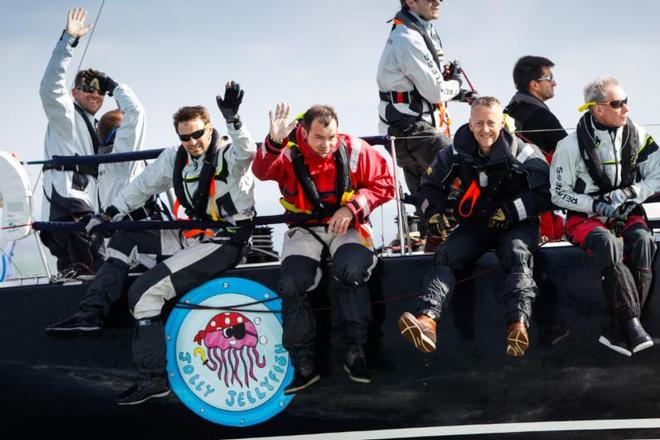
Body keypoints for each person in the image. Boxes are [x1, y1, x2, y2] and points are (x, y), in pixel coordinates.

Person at [48, 83, 257, 406]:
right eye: (185, 137)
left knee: (144, 294)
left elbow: (248, 152)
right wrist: (106, 215)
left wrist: (234, 119)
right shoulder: (175, 158)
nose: (192, 142)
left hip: (227, 241)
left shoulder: (229, 154)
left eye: (197, 134)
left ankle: (153, 378)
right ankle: (91, 312)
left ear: (209, 128)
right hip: (196, 236)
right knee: (124, 235)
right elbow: (142, 187)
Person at [252, 103, 394, 393]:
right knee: (293, 283)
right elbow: (262, 171)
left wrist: (353, 208)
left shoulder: (355, 150)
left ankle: (355, 351)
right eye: (319, 138)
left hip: (347, 226)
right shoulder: (288, 153)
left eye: (331, 137)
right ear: (304, 132)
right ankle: (304, 365)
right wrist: (274, 142)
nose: (327, 145)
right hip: (304, 229)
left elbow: (385, 184)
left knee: (352, 270)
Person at [398, 97, 551, 357]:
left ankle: (518, 326)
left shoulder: (524, 153)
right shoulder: (454, 153)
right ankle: (427, 321)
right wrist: (433, 214)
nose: (485, 129)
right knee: (447, 255)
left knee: (516, 255)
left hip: (517, 226)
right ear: (470, 125)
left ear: (501, 123)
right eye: (479, 123)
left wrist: (512, 211)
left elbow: (546, 194)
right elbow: (428, 186)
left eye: (491, 122)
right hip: (476, 226)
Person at [550, 77, 659, 356]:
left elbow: (657, 176)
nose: (626, 109)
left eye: (626, 101)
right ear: (598, 109)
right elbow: (558, 194)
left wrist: (628, 193)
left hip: (626, 211)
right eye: (618, 103)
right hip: (584, 218)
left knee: (644, 241)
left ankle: (621, 327)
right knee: (607, 243)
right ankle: (632, 324)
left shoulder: (640, 136)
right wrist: (595, 205)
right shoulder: (569, 146)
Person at [39, 8, 130, 275]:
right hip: (69, 205)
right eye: (87, 89)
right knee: (91, 273)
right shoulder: (65, 114)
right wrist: (69, 40)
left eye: (100, 90)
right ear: (73, 92)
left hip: (85, 205)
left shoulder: (94, 123)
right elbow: (49, 86)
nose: (95, 94)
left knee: (81, 273)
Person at [377, 0, 472, 248]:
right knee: (461, 165)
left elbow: (427, 85)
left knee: (432, 206)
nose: (438, 1)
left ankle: (436, 257)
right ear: (410, 1)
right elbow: (436, 92)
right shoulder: (407, 38)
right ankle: (465, 246)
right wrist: (457, 83)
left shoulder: (420, 30)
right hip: (409, 130)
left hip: (412, 130)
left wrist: (460, 93)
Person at [504, 55, 568, 345]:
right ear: (534, 84)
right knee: (546, 258)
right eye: (549, 78)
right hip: (542, 205)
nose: (555, 83)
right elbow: (570, 155)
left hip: (514, 204)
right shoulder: (539, 115)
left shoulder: (510, 110)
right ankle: (550, 324)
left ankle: (531, 323)